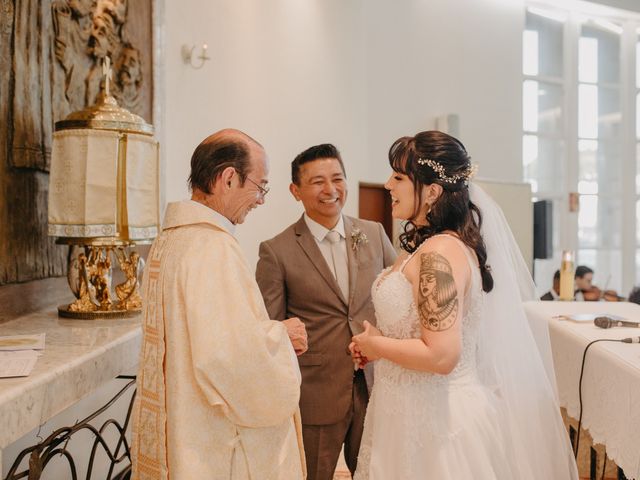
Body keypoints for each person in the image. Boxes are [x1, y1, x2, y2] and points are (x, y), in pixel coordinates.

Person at [349, 130, 578, 479]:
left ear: (432, 191)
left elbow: (441, 356)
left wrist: (376, 346)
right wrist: (381, 342)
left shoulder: (440, 255)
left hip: (437, 425)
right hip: (402, 413)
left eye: (398, 177)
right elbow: (418, 329)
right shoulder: (426, 249)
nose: (387, 185)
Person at [131, 129, 307, 479]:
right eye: (260, 187)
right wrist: (281, 335)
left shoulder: (172, 241)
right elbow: (230, 359)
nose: (261, 200)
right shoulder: (212, 248)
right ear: (228, 178)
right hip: (217, 448)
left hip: (185, 430)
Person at [255, 143, 396, 480]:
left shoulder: (373, 233)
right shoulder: (277, 251)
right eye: (318, 182)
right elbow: (270, 329)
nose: (330, 190)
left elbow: (396, 291)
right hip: (316, 392)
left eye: (337, 178)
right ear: (295, 191)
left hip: (376, 384)